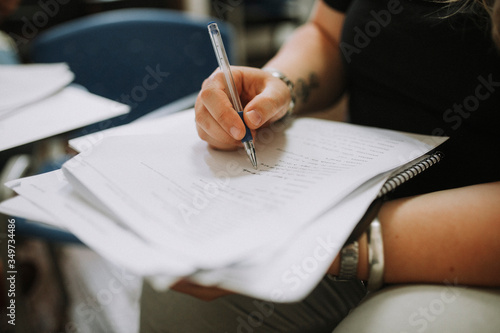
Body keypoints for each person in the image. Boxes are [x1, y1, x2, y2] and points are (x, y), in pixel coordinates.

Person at [140, 0, 500, 331]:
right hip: (354, 201)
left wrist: (323, 243)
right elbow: (327, 34)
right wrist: (278, 85)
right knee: (173, 302)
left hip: (466, 254)